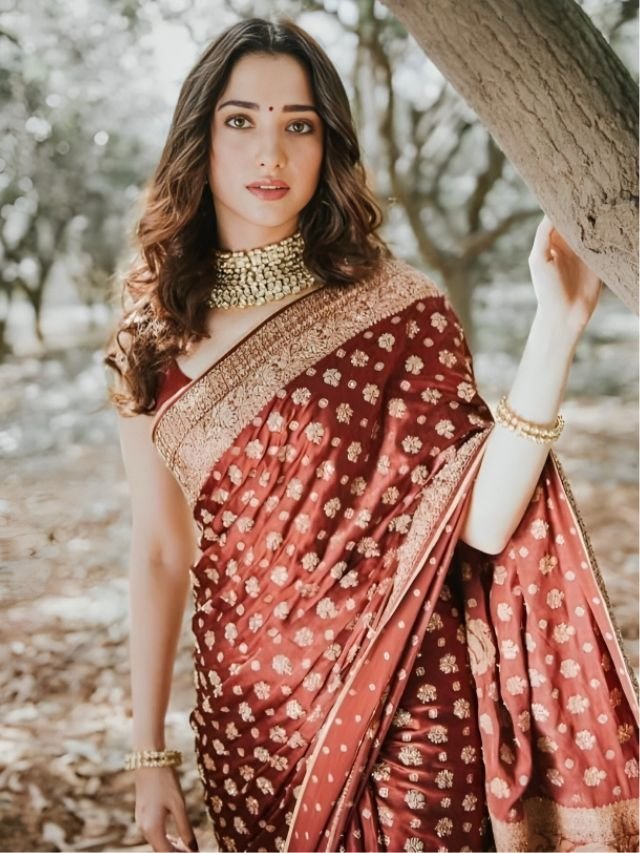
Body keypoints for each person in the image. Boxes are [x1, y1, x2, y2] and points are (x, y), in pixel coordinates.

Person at [104, 16, 639, 853]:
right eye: (239, 120)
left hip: (408, 700)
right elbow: (162, 553)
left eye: (299, 125)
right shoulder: (153, 340)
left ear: (330, 146)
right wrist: (148, 751)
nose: (269, 154)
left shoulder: (397, 309)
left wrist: (556, 328)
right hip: (250, 729)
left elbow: (484, 520)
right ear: (198, 139)